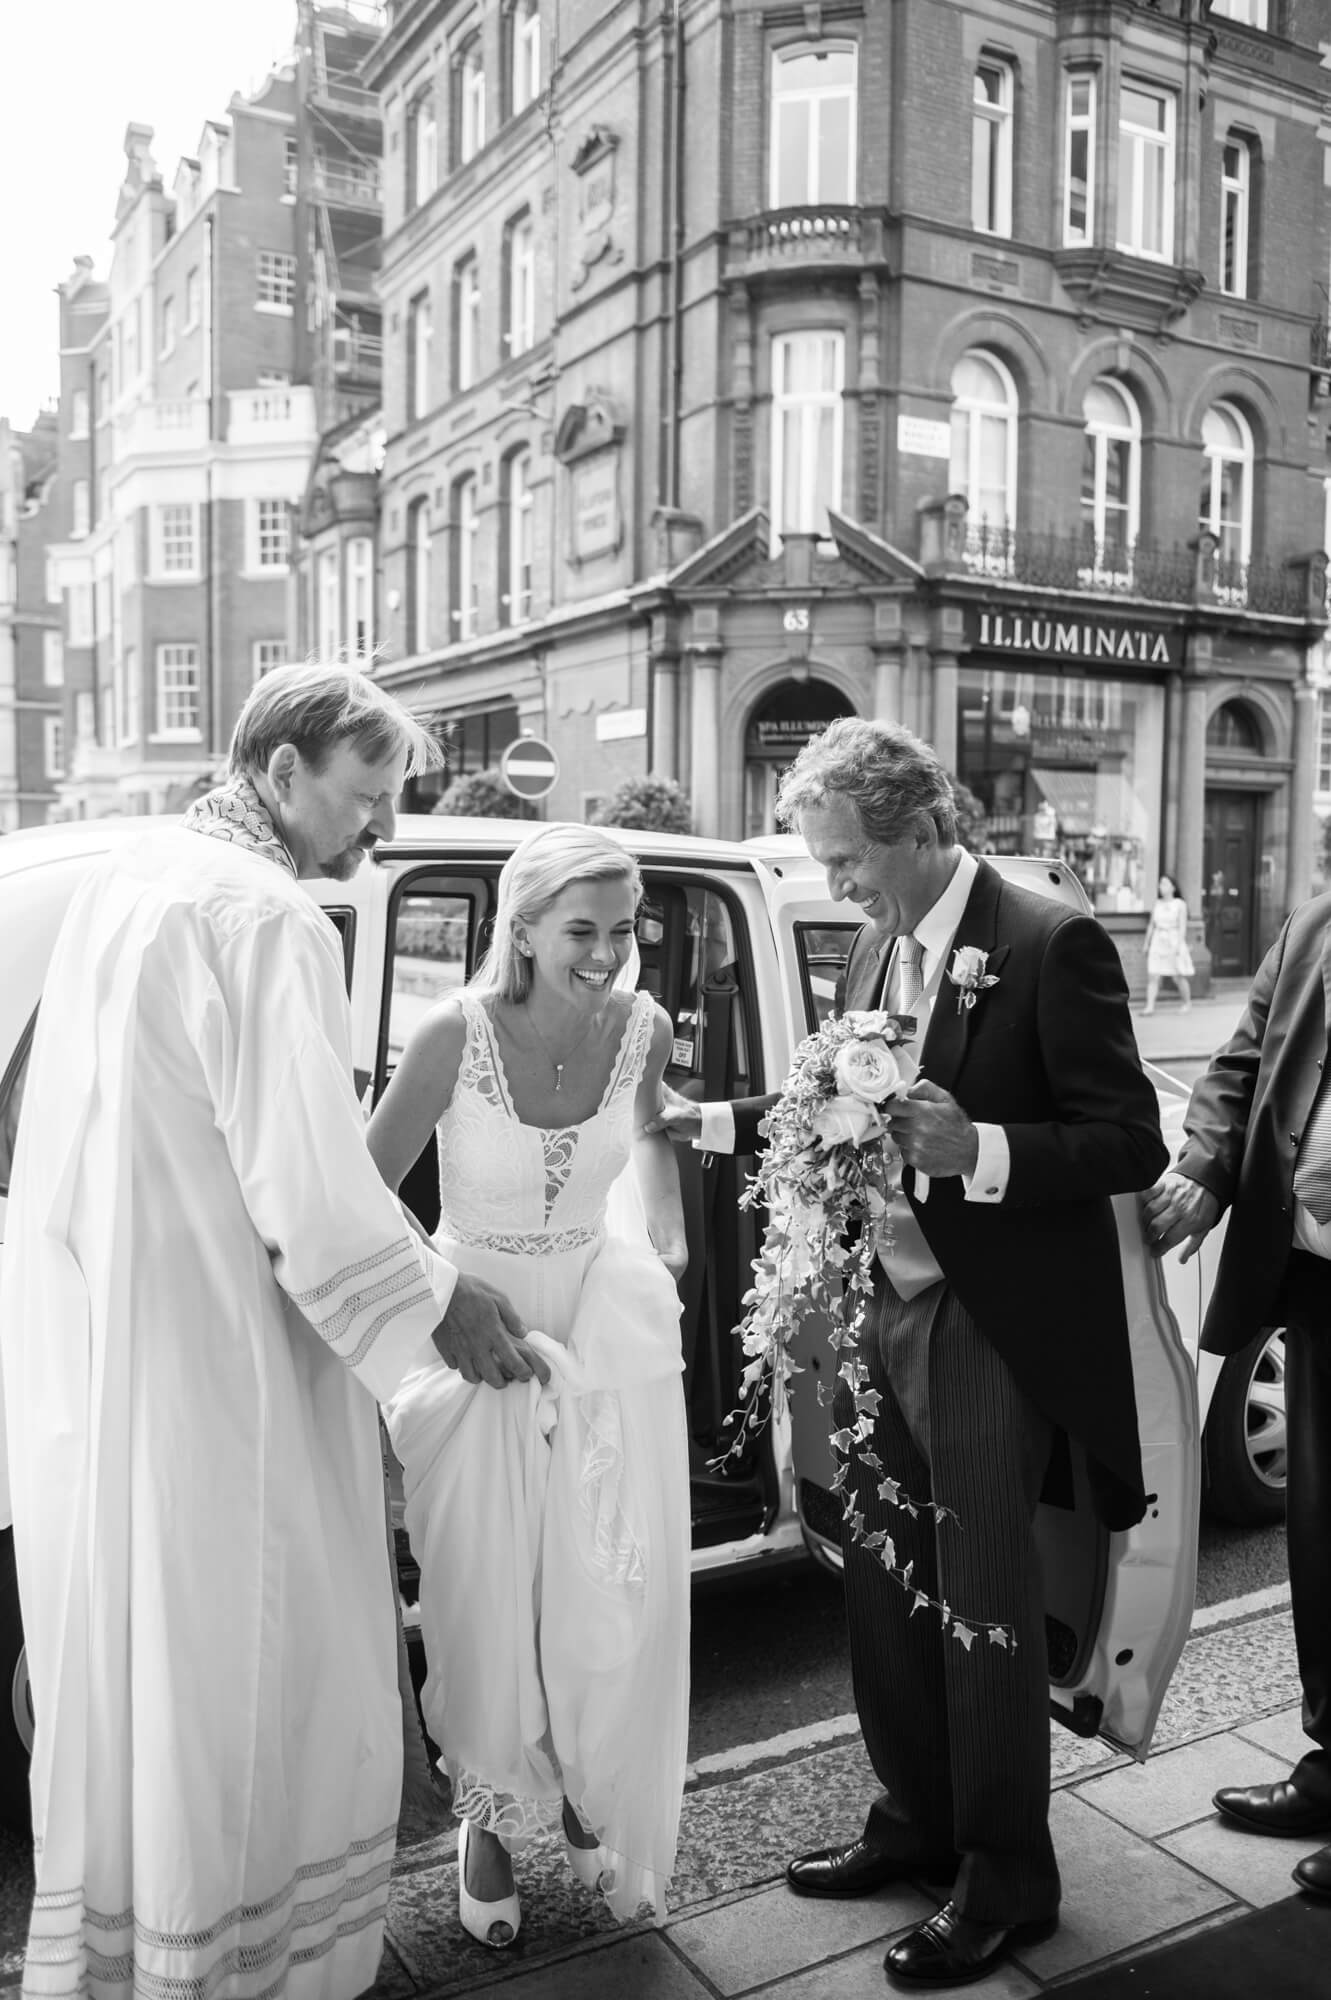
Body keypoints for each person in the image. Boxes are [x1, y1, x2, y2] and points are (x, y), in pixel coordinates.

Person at [0, 664, 547, 2000]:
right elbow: (306, 1183)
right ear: (283, 767)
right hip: (232, 1355)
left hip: (110, 1339)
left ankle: (145, 1943)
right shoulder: (270, 920)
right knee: (256, 1657)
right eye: (365, 796)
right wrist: (441, 1296)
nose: (378, 832)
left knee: (144, 1666)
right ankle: (244, 1960)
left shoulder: (136, 878)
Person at [651, 717, 1167, 1989]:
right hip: (876, 1306)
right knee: (881, 1581)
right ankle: (912, 1823)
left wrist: (978, 1150)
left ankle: (1005, 1877)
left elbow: (1125, 1141)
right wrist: (705, 1117)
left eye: (845, 863)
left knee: (981, 1600)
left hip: (991, 1327)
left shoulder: (1050, 943)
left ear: (922, 829)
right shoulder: (875, 944)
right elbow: (838, 1103)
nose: (833, 887)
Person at [367, 823, 690, 1945]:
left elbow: (647, 1132)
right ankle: (491, 1819)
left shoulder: (642, 1026)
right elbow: (360, 1191)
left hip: (602, 1335)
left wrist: (669, 1233)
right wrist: (441, 1292)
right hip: (474, 1344)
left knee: (603, 1585)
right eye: (579, 930)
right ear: (522, 926)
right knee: (481, 1596)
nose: (604, 952)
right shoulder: (450, 1034)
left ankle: (592, 1790)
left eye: (620, 927)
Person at [1143, 892, 1331, 1905]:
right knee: (1318, 1537)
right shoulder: (1315, 920)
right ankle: (1326, 1766)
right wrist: (1204, 1169)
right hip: (1311, 1273)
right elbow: (1242, 1061)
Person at [1142, 872, 1193, 1014]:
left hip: (1173, 940)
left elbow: (1183, 926)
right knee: (1153, 975)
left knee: (1178, 976)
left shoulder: (1179, 904)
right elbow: (1151, 925)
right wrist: (1147, 943)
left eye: (1165, 883)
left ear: (1173, 887)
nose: (1161, 887)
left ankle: (1187, 1002)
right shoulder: (1157, 904)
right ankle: (1149, 1006)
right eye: (1160, 883)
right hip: (1158, 940)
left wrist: (1178, 946)